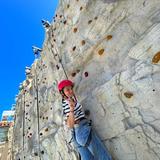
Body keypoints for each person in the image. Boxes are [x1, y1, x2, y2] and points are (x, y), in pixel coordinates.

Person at [58, 79, 112, 160]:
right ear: (62, 93)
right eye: (67, 90)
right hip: (83, 130)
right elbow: (70, 124)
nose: (70, 91)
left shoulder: (70, 100)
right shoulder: (67, 103)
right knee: (103, 157)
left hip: (78, 133)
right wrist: (72, 109)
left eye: (71, 89)